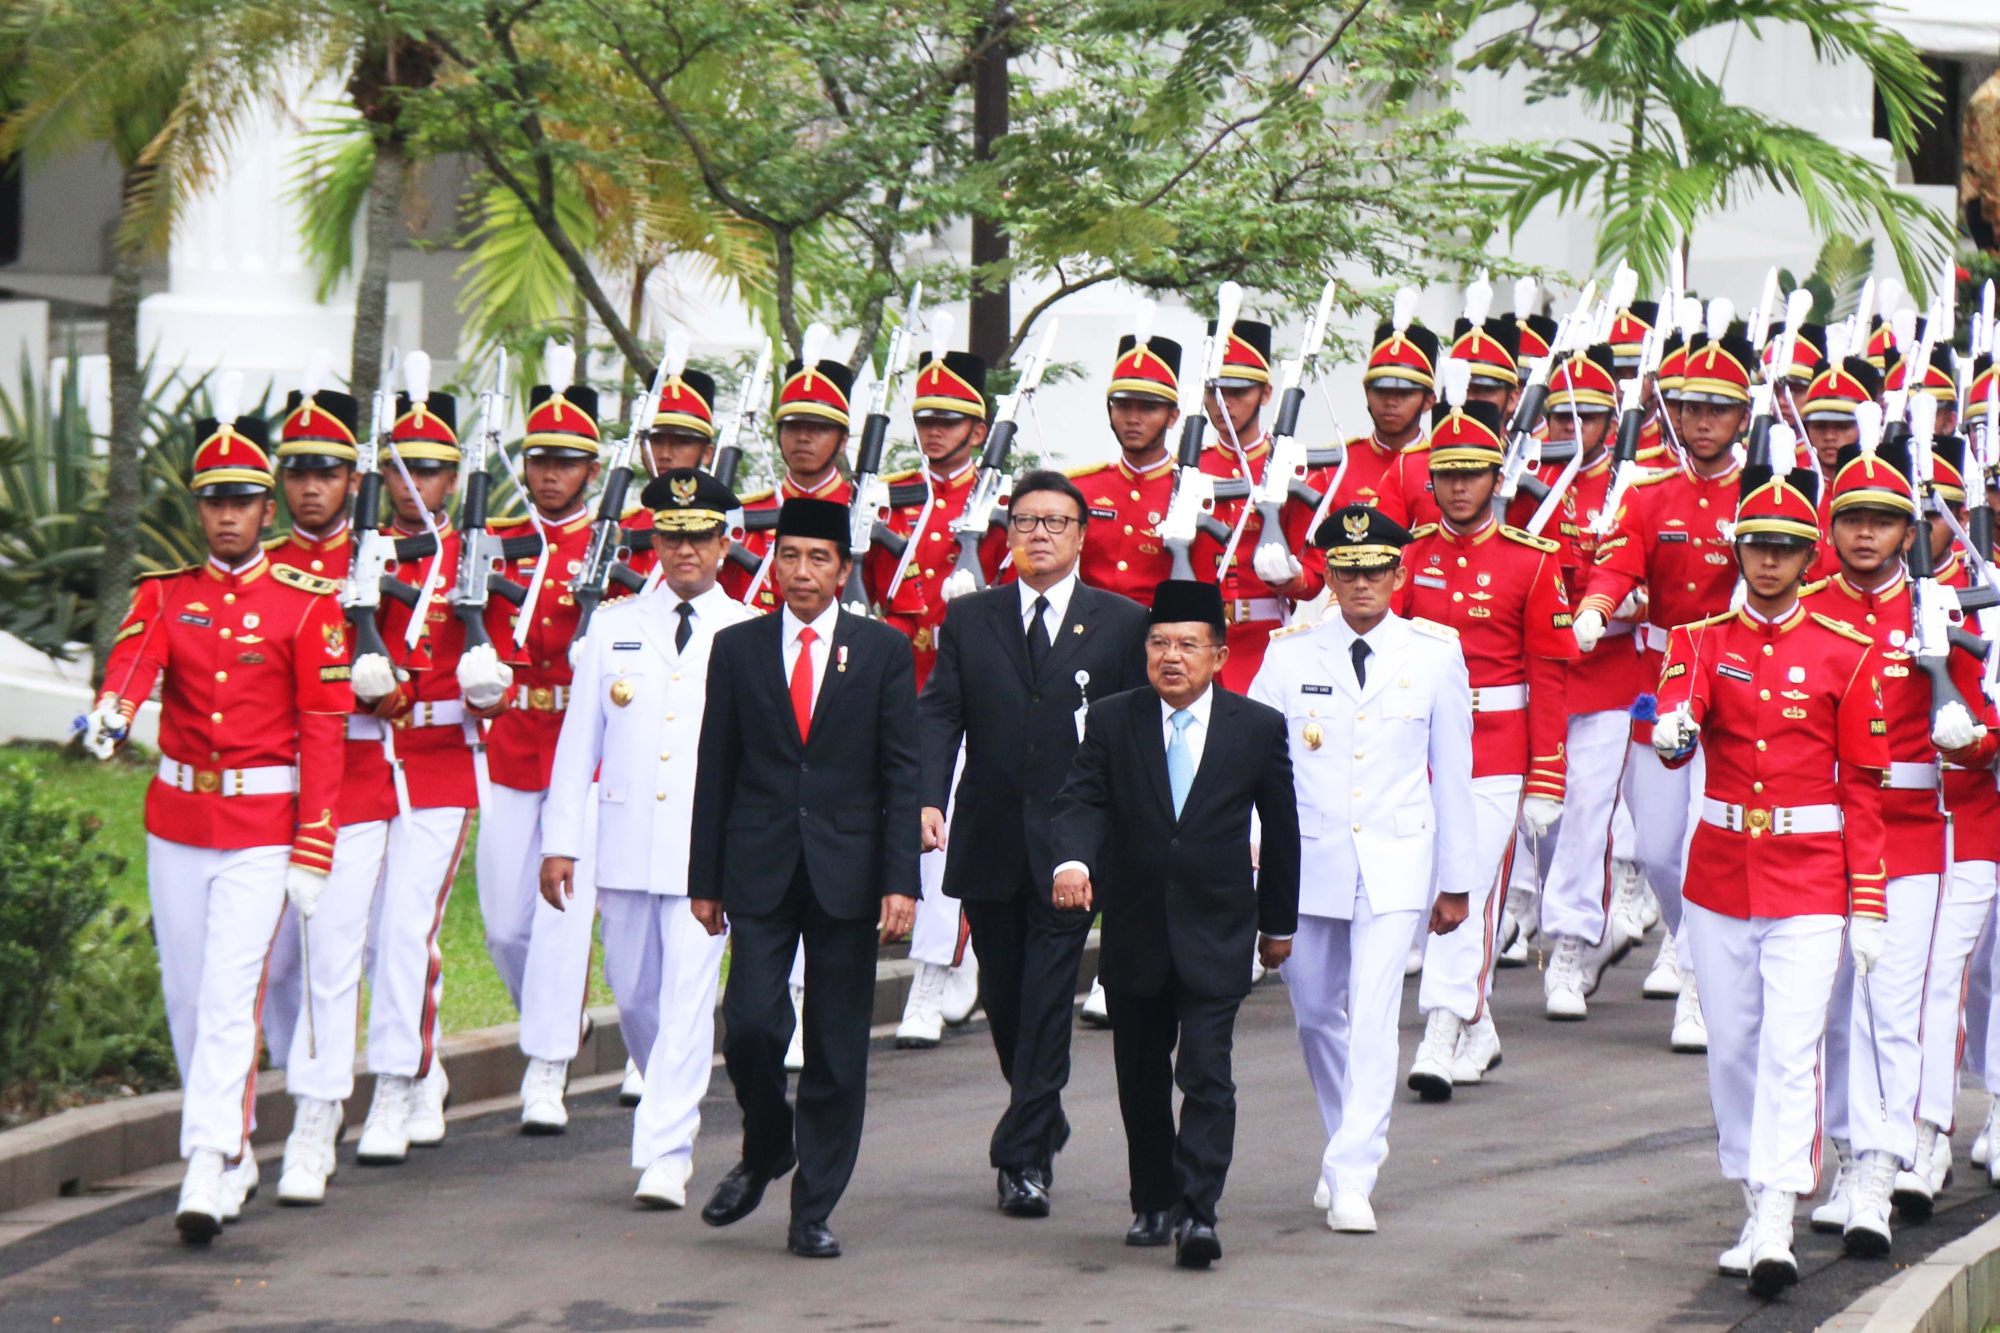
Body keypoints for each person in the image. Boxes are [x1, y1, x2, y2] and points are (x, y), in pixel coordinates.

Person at [81, 401, 350, 1241]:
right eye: (213, 500)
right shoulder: (166, 595)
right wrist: (111, 712)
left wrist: (315, 840)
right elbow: (133, 662)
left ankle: (204, 1160)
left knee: (233, 993)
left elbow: (324, 728)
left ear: (267, 508)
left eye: (242, 499)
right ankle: (233, 1151)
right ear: (198, 509)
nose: (228, 514)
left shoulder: (306, 604)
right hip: (179, 820)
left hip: (265, 827)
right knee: (189, 997)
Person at [1652, 463, 1890, 1295]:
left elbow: (1863, 785)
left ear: (1809, 556)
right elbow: (1675, 723)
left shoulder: (1845, 651)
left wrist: (1869, 901)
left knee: (1792, 1048)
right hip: (1720, 873)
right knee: (1735, 1050)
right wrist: (1676, 730)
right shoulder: (1699, 640)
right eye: (1758, 547)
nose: (1770, 562)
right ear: (1738, 549)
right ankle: (1754, 1191)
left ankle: (1779, 1214)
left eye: (1787, 549)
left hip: (1812, 879)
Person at [688, 495, 921, 1259]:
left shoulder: (881, 649)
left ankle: (812, 1205)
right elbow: (715, 766)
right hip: (757, 864)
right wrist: (704, 876)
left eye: (819, 558)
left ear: (845, 569)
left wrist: (901, 880)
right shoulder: (739, 647)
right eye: (789, 555)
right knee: (750, 1020)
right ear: (771, 562)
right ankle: (766, 1143)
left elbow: (900, 770)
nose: (801, 571)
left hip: (849, 872)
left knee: (836, 1043)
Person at [1050, 578, 1299, 1269]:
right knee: (1139, 1073)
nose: (1171, 657)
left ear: (1219, 655)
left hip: (1219, 927)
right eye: (1159, 643)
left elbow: (1282, 831)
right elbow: (1080, 799)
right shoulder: (1111, 719)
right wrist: (1071, 861)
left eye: (1188, 645)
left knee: (1207, 1072)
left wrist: (1277, 922)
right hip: (1134, 927)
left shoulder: (1256, 727)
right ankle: (1152, 1199)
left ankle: (1198, 1212)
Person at [919, 469, 1149, 1218]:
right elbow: (939, 714)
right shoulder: (970, 619)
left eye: (1056, 522)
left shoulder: (1119, 621)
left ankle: (1023, 1157)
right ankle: (1041, 1112)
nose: (1040, 534)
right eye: (1025, 521)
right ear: (1006, 534)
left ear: (1082, 534)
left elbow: (1131, 731)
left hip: (1073, 842)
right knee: (1007, 996)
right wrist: (925, 795)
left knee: (1051, 992)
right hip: (988, 834)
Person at [1248, 504, 1476, 1234]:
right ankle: (1341, 1137)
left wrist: (1457, 876)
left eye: (1375, 569)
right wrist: (1254, 847)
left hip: (1397, 855)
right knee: (1316, 1011)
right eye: (1346, 571)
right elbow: (1255, 759)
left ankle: (1354, 1169)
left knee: (1376, 1013)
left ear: (1399, 573)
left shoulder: (1435, 652)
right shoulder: (1290, 652)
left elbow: (1455, 774)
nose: (1361, 583)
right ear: (1328, 575)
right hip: (1308, 857)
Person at [541, 468, 757, 1209]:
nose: (684, 550)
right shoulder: (613, 625)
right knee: (635, 995)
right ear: (651, 539)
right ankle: (662, 1090)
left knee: (690, 997)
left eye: (699, 537)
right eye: (670, 535)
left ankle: (666, 1150)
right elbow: (579, 744)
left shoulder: (746, 629)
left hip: (707, 850)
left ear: (725, 543)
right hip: (628, 841)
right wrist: (560, 840)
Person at [1800, 439, 1996, 1250]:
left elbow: (1983, 726)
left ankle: (1886, 1159)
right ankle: (1850, 1150)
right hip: (1825, 832)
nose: (1868, 536)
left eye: (1885, 522)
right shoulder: (1806, 604)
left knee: (1895, 1001)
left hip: (1917, 828)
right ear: (1833, 526)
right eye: (1854, 520)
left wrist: (1966, 737)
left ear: (1905, 529)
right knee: (1832, 1004)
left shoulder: (1938, 606)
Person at [1573, 326, 1759, 1051]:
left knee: (1706, 836)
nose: (1702, 420)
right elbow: (1618, 565)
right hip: (1665, 679)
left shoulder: (1763, 491)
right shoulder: (1651, 494)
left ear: (1743, 416)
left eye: (1718, 408)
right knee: (1656, 849)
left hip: (1740, 684)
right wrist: (1594, 608)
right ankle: (1692, 941)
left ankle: (1696, 978)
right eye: (1688, 406)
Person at [1395, 391, 1574, 1098]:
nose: (1460, 485)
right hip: (1422, 751)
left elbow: (1549, 673)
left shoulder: (1531, 561)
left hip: (1498, 749)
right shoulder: (1408, 557)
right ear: (1432, 480)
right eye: (1447, 473)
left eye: (1473, 472)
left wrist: (1549, 774)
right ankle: (1479, 1022)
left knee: (1462, 885)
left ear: (1498, 478)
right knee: (1425, 886)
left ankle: (1442, 1022)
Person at [461, 357, 608, 1133]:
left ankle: (546, 1068)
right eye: (539, 459)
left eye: (565, 461)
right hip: (513, 737)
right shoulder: (498, 541)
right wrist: (472, 673)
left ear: (591, 468)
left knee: (562, 912)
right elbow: (464, 623)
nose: (549, 474)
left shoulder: (621, 544)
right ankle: (554, 1017)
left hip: (583, 751)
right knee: (504, 924)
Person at [864, 348, 1005, 1048]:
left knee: (938, 832)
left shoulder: (1002, 499)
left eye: (950, 420)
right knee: (898, 824)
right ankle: (957, 953)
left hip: (972, 686)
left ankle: (930, 975)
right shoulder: (891, 497)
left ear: (979, 429)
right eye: (925, 419)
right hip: (901, 681)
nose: (935, 432)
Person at [1515, 345, 1654, 1017]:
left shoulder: (1635, 484)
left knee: (1588, 812)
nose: (1572, 427)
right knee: (1531, 817)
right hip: (1535, 670)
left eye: (1588, 415)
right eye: (1561, 415)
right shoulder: (1521, 479)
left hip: (1606, 674)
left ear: (1610, 419)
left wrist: (1631, 603)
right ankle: (1532, 915)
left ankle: (1568, 942)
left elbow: (1659, 572)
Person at [1186, 318, 1325, 688]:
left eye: (1238, 392)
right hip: (1195, 639)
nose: (1223, 404)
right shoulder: (1186, 469)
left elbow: (1314, 576)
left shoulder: (1299, 472)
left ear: (1265, 394)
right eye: (1214, 391)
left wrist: (1290, 578)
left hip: (1265, 640)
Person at [724, 357, 856, 613]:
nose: (803, 438)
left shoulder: (861, 511)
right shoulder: (744, 513)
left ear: (842, 440)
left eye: (818, 428)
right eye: (793, 427)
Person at [1069, 328, 1184, 605]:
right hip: (1090, 633)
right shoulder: (1080, 488)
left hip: (1161, 634)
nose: (1133, 418)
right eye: (1123, 406)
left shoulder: (1192, 489)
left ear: (1172, 417)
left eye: (1147, 407)